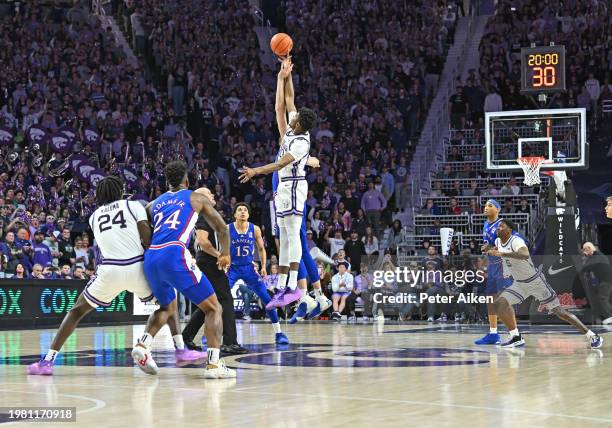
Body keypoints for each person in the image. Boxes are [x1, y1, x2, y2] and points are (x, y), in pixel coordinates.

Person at [28, 176, 199, 375]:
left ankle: (47, 361)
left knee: (76, 312)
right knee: (169, 304)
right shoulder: (133, 205)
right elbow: (146, 239)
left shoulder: (93, 216)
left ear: (100, 196)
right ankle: (179, 350)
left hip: (109, 269)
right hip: (137, 266)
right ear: (119, 191)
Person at [133, 161, 235, 379]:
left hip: (151, 257)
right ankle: (214, 365)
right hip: (174, 254)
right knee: (214, 308)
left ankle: (143, 345)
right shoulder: (196, 197)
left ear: (166, 182)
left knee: (166, 307)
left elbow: (142, 234)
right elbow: (222, 228)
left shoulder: (152, 204)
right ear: (187, 181)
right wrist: (225, 254)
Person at [239, 57, 318, 308]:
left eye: (294, 118)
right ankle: (283, 285)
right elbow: (284, 103)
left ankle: (293, 285)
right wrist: (284, 76)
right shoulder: (294, 127)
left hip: (294, 185)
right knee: (283, 235)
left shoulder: (300, 141)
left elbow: (278, 165)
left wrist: (255, 171)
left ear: (300, 125)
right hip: (283, 187)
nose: (290, 116)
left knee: (293, 234)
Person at [488, 219, 602, 349]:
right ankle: (516, 337)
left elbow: (525, 254)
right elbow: (499, 251)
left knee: (559, 311)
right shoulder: (498, 242)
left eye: (501, 226)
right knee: (499, 304)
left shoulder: (515, 240)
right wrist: (490, 250)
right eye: (497, 227)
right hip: (519, 284)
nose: (497, 229)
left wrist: (501, 253)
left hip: (535, 282)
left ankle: (591, 335)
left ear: (509, 230)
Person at [181, 188, 249, 355]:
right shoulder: (204, 215)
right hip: (208, 261)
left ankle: (186, 336)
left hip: (205, 261)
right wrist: (220, 255)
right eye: (210, 194)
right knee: (225, 299)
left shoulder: (203, 215)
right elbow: (203, 242)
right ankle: (229, 342)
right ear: (203, 198)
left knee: (209, 303)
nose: (213, 196)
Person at [226, 202, 288, 344]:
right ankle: (208, 334)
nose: (242, 212)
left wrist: (264, 267)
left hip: (249, 268)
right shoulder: (227, 228)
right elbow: (223, 248)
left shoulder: (255, 229)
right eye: (239, 210)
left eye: (245, 210)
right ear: (234, 214)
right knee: (218, 299)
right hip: (233, 269)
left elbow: (261, 249)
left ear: (248, 214)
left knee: (268, 300)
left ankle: (279, 333)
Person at [474, 199, 517, 346]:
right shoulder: (486, 224)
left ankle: (515, 335)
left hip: (504, 266)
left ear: (498, 209)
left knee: (504, 302)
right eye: (485, 205)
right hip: (492, 266)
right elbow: (490, 247)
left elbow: (512, 245)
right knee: (490, 299)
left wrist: (491, 249)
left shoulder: (502, 225)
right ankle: (493, 333)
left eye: (490, 205)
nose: (486, 207)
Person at [581, 242, 612, 325]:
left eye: (585, 249)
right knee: (601, 297)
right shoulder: (595, 256)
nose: (584, 252)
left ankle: (609, 317)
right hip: (604, 280)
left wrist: (585, 257)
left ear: (589, 248)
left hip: (607, 280)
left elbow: (585, 267)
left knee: (602, 297)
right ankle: (607, 316)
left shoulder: (597, 256)